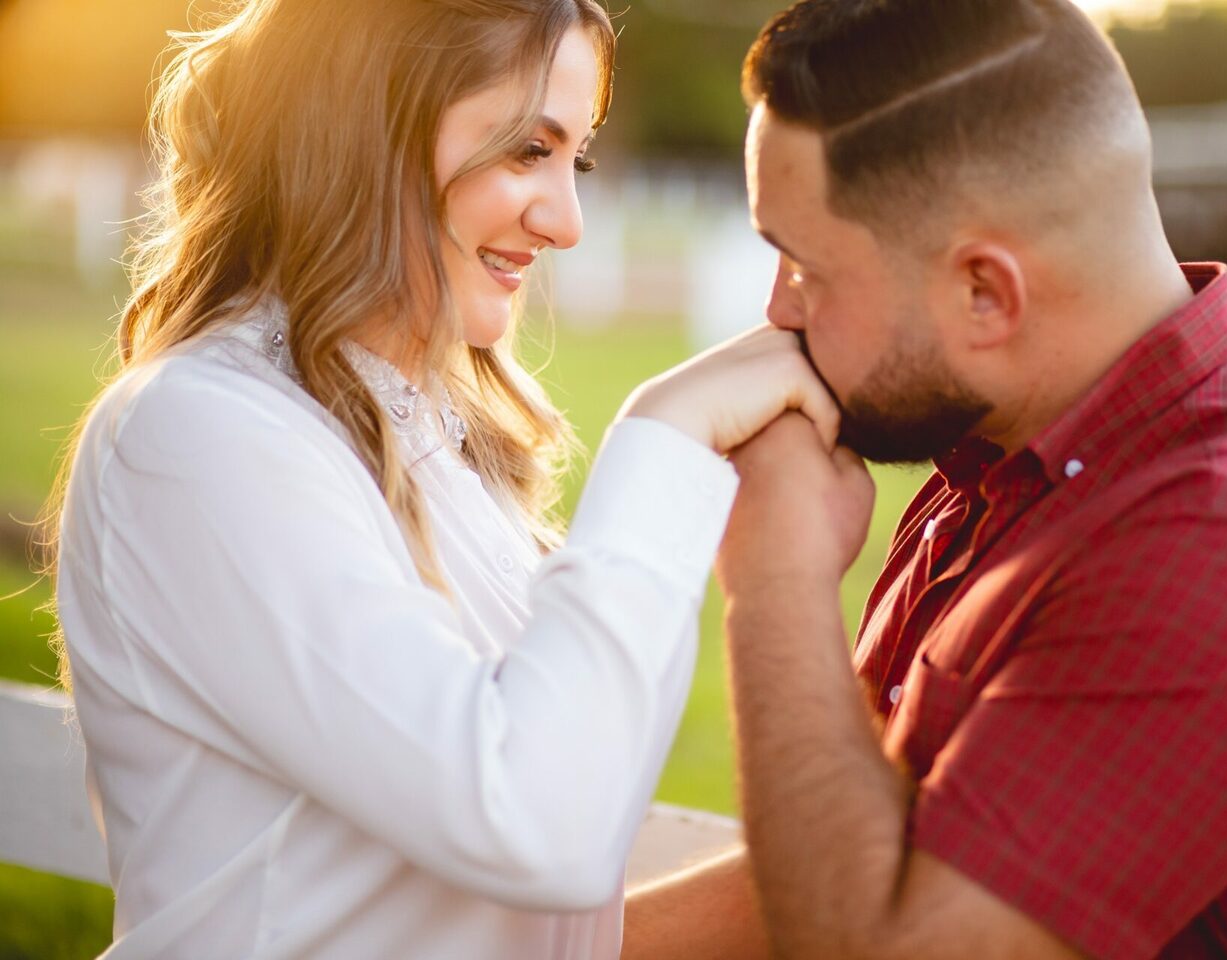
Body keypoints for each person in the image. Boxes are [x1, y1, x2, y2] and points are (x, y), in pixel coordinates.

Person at [622, 1, 1227, 957]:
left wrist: (775, 581)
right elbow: (854, 854)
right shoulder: (1007, 447)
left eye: (805, 265)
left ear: (985, 293)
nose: (775, 306)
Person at [45, 1, 839, 958]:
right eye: (527, 151)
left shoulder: (424, 441)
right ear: (364, 131)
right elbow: (534, 824)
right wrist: (665, 438)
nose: (567, 221)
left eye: (573, 160)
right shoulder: (193, 433)